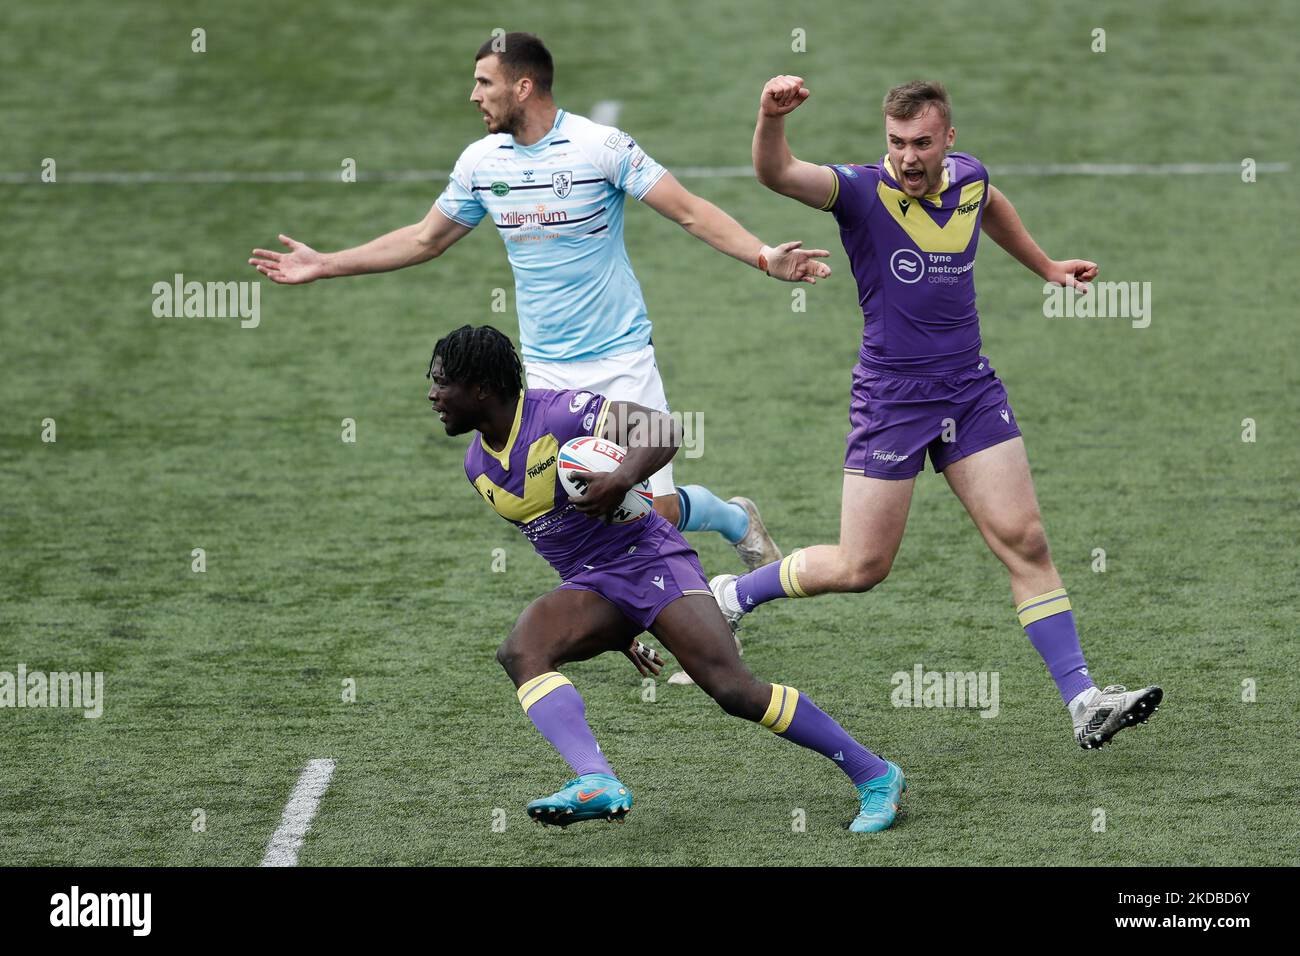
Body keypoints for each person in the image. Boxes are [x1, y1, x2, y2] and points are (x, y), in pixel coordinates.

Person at [250, 31, 832, 576]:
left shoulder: (598, 146)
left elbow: (688, 209)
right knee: (592, 507)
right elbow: (425, 239)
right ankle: (694, 576)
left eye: (484, 82)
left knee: (652, 512)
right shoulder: (482, 163)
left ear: (522, 86)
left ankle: (729, 541)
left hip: (620, 357)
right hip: (547, 372)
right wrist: (326, 263)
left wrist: (764, 256)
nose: (473, 94)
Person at [720, 75, 1162, 749]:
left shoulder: (969, 179)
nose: (908, 158)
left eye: (922, 143)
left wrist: (1043, 266)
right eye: (896, 143)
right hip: (894, 399)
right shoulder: (861, 191)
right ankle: (733, 596)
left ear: (947, 140)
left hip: (969, 389)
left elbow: (990, 203)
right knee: (862, 567)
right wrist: (769, 117)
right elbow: (776, 173)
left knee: (1027, 540)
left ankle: (1083, 701)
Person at [428, 324, 905, 831]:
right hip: (591, 583)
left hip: (651, 560)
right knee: (521, 651)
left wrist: (620, 478)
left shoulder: (559, 412)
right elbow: (559, 545)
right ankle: (598, 780)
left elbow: (662, 429)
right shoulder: (477, 465)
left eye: (441, 382)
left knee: (732, 690)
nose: (432, 395)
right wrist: (609, 625)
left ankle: (875, 773)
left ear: (480, 388)